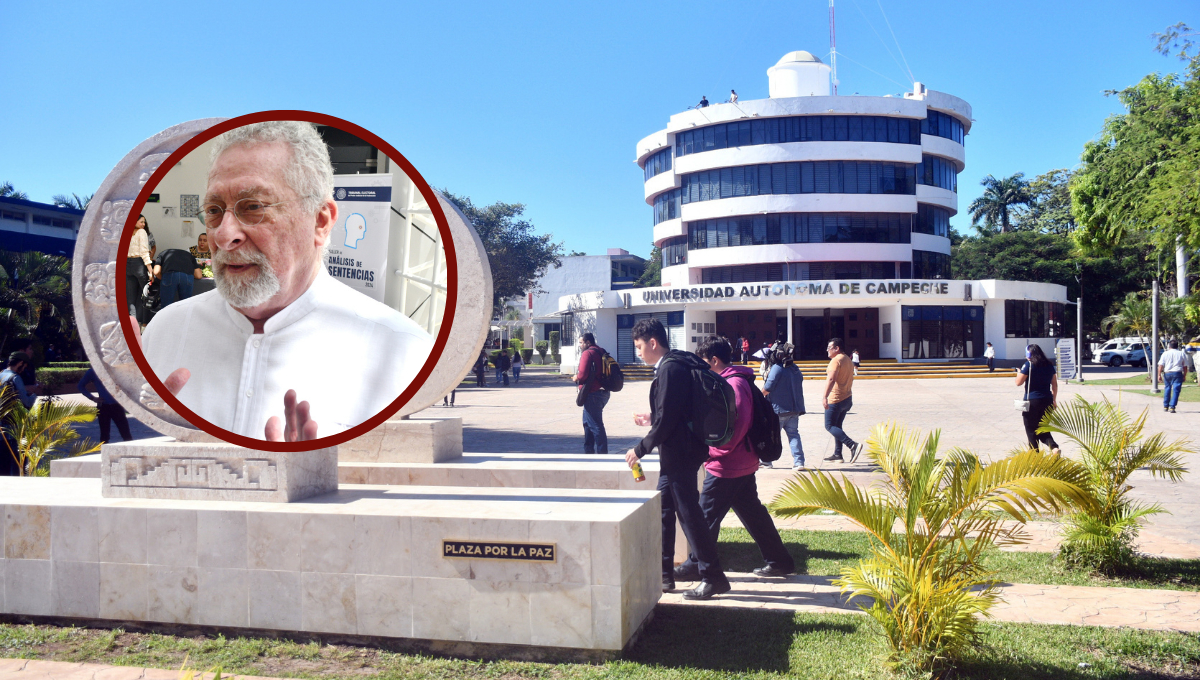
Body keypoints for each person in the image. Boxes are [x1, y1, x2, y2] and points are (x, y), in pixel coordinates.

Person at [140, 121, 434, 441]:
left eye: (253, 207)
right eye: (213, 210)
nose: (224, 236)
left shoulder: (403, 352)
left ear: (320, 221)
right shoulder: (166, 331)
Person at [625, 318, 731, 600]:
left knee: (690, 516)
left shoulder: (671, 368)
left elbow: (669, 421)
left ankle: (712, 575)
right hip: (677, 454)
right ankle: (664, 575)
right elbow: (674, 411)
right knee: (664, 512)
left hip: (679, 455)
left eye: (638, 347)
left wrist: (640, 449)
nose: (638, 353)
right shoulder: (675, 364)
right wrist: (652, 417)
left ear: (652, 343)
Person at [676, 336, 795, 581]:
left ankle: (696, 565)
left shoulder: (734, 384)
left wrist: (711, 453)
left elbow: (736, 426)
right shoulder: (732, 380)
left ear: (715, 360)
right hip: (741, 463)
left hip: (728, 464)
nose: (701, 367)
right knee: (754, 515)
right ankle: (780, 561)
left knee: (704, 517)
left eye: (703, 362)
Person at [763, 342, 806, 469]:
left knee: (771, 436)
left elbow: (768, 387)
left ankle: (767, 461)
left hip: (779, 410)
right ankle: (799, 462)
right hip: (794, 409)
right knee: (794, 435)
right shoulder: (795, 368)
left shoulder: (777, 368)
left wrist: (759, 396)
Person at [822, 337, 863, 464]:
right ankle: (838, 454)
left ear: (837, 348)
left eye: (829, 348)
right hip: (847, 398)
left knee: (829, 426)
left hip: (836, 398)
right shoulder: (847, 359)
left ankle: (853, 445)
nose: (827, 350)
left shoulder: (836, 360)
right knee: (837, 426)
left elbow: (831, 379)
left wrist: (824, 396)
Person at [1015, 344, 1060, 453]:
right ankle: (1054, 448)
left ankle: (1035, 454)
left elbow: (1018, 382)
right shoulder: (1049, 365)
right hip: (1047, 400)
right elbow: (1054, 384)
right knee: (1044, 429)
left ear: (1029, 354)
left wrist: (1018, 373)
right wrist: (1054, 399)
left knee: (1031, 429)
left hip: (1032, 401)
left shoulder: (1028, 365)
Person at [572, 333, 610, 454]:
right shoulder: (601, 351)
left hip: (592, 393)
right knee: (587, 423)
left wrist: (575, 377)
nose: (580, 345)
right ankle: (588, 451)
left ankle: (602, 454)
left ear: (588, 343)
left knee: (596, 425)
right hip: (604, 392)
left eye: (581, 342)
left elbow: (582, 375)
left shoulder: (587, 353)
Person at [78, 367, 132, 442]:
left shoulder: (115, 369)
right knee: (104, 435)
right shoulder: (93, 371)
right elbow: (80, 386)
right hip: (103, 406)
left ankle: (131, 452)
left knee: (125, 433)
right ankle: (104, 452)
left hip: (117, 405)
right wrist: (92, 398)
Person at [126, 214, 154, 326]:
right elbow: (144, 252)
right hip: (139, 265)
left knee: (131, 297)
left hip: (127, 266)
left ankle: (133, 323)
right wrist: (150, 270)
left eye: (144, 222)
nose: (143, 224)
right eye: (141, 222)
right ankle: (145, 323)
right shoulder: (142, 232)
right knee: (146, 295)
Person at [1158, 339, 1188, 413]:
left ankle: (1165, 406)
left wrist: (1159, 375)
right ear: (1177, 346)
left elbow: (1160, 365)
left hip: (1167, 373)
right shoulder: (1181, 353)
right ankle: (1172, 407)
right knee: (1176, 390)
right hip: (1177, 373)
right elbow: (1185, 366)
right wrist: (1184, 375)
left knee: (1167, 388)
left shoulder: (1165, 354)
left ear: (1169, 346)